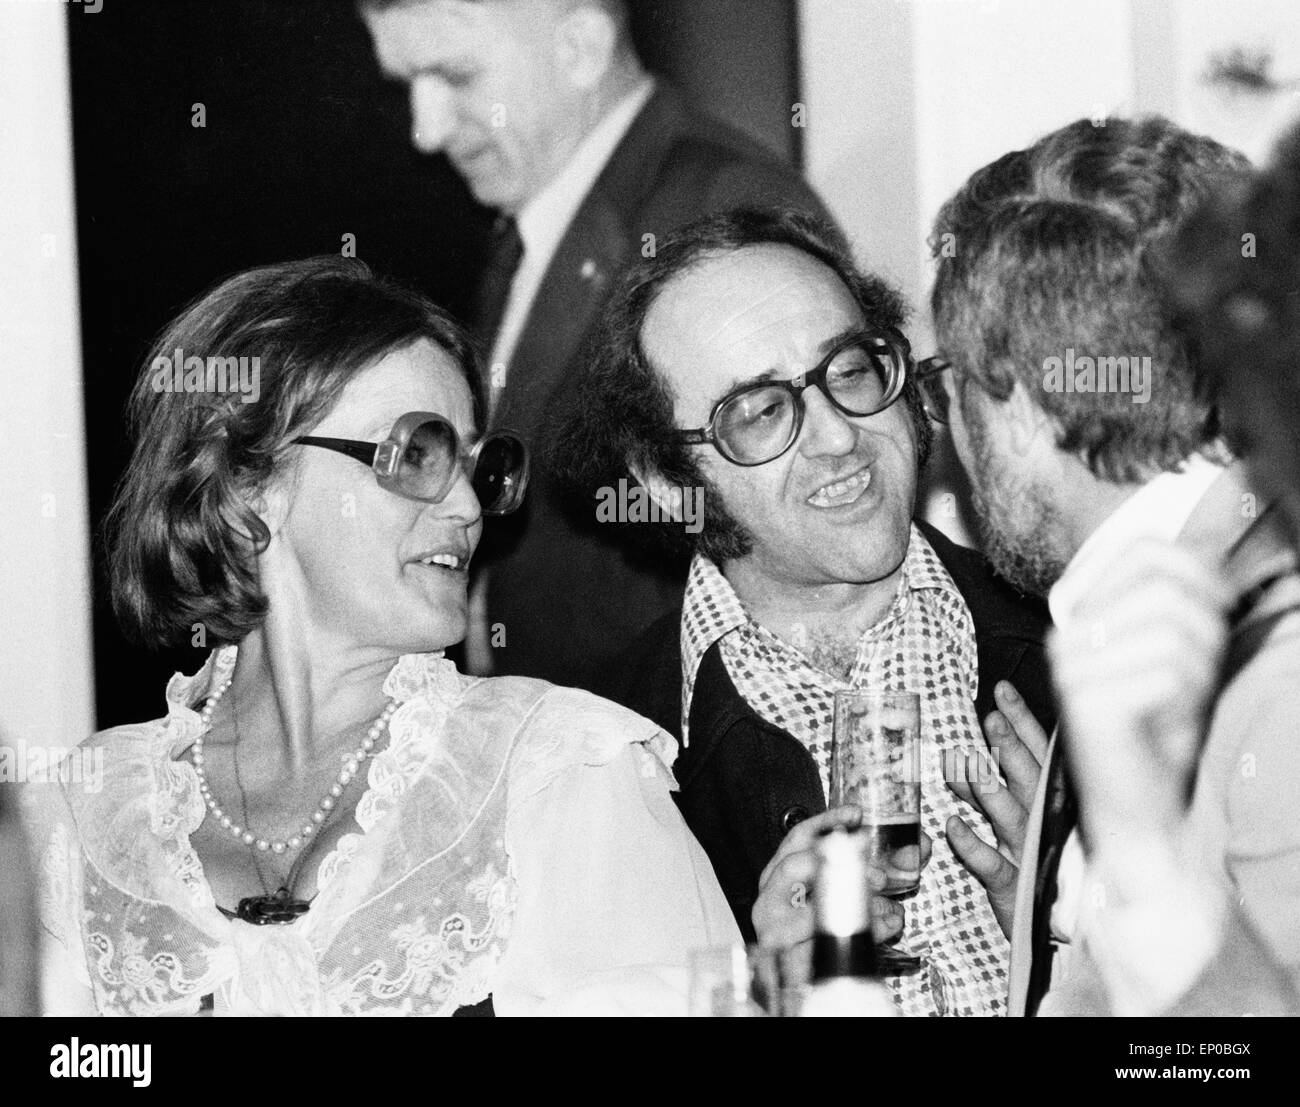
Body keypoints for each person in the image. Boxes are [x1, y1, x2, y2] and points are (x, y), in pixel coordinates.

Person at [35, 256, 737, 1017]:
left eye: (478, 468)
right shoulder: (89, 813)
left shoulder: (558, 771)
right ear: (247, 486)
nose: (467, 507)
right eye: (417, 453)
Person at [555, 206, 1057, 1017]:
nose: (837, 436)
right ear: (666, 483)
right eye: (760, 411)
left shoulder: (1082, 636)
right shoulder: (598, 759)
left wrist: (1079, 946)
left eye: (850, 370)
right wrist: (753, 1002)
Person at [928, 114, 1300, 1015]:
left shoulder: (1274, 676)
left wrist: (1137, 860)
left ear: (1019, 410)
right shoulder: (1127, 604)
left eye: (951, 385)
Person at [361, 0, 837, 692]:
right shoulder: (538, 218)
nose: (425, 130)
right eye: (409, 84)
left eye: (455, 76)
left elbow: (804, 556)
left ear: (581, 46)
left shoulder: (727, 206)